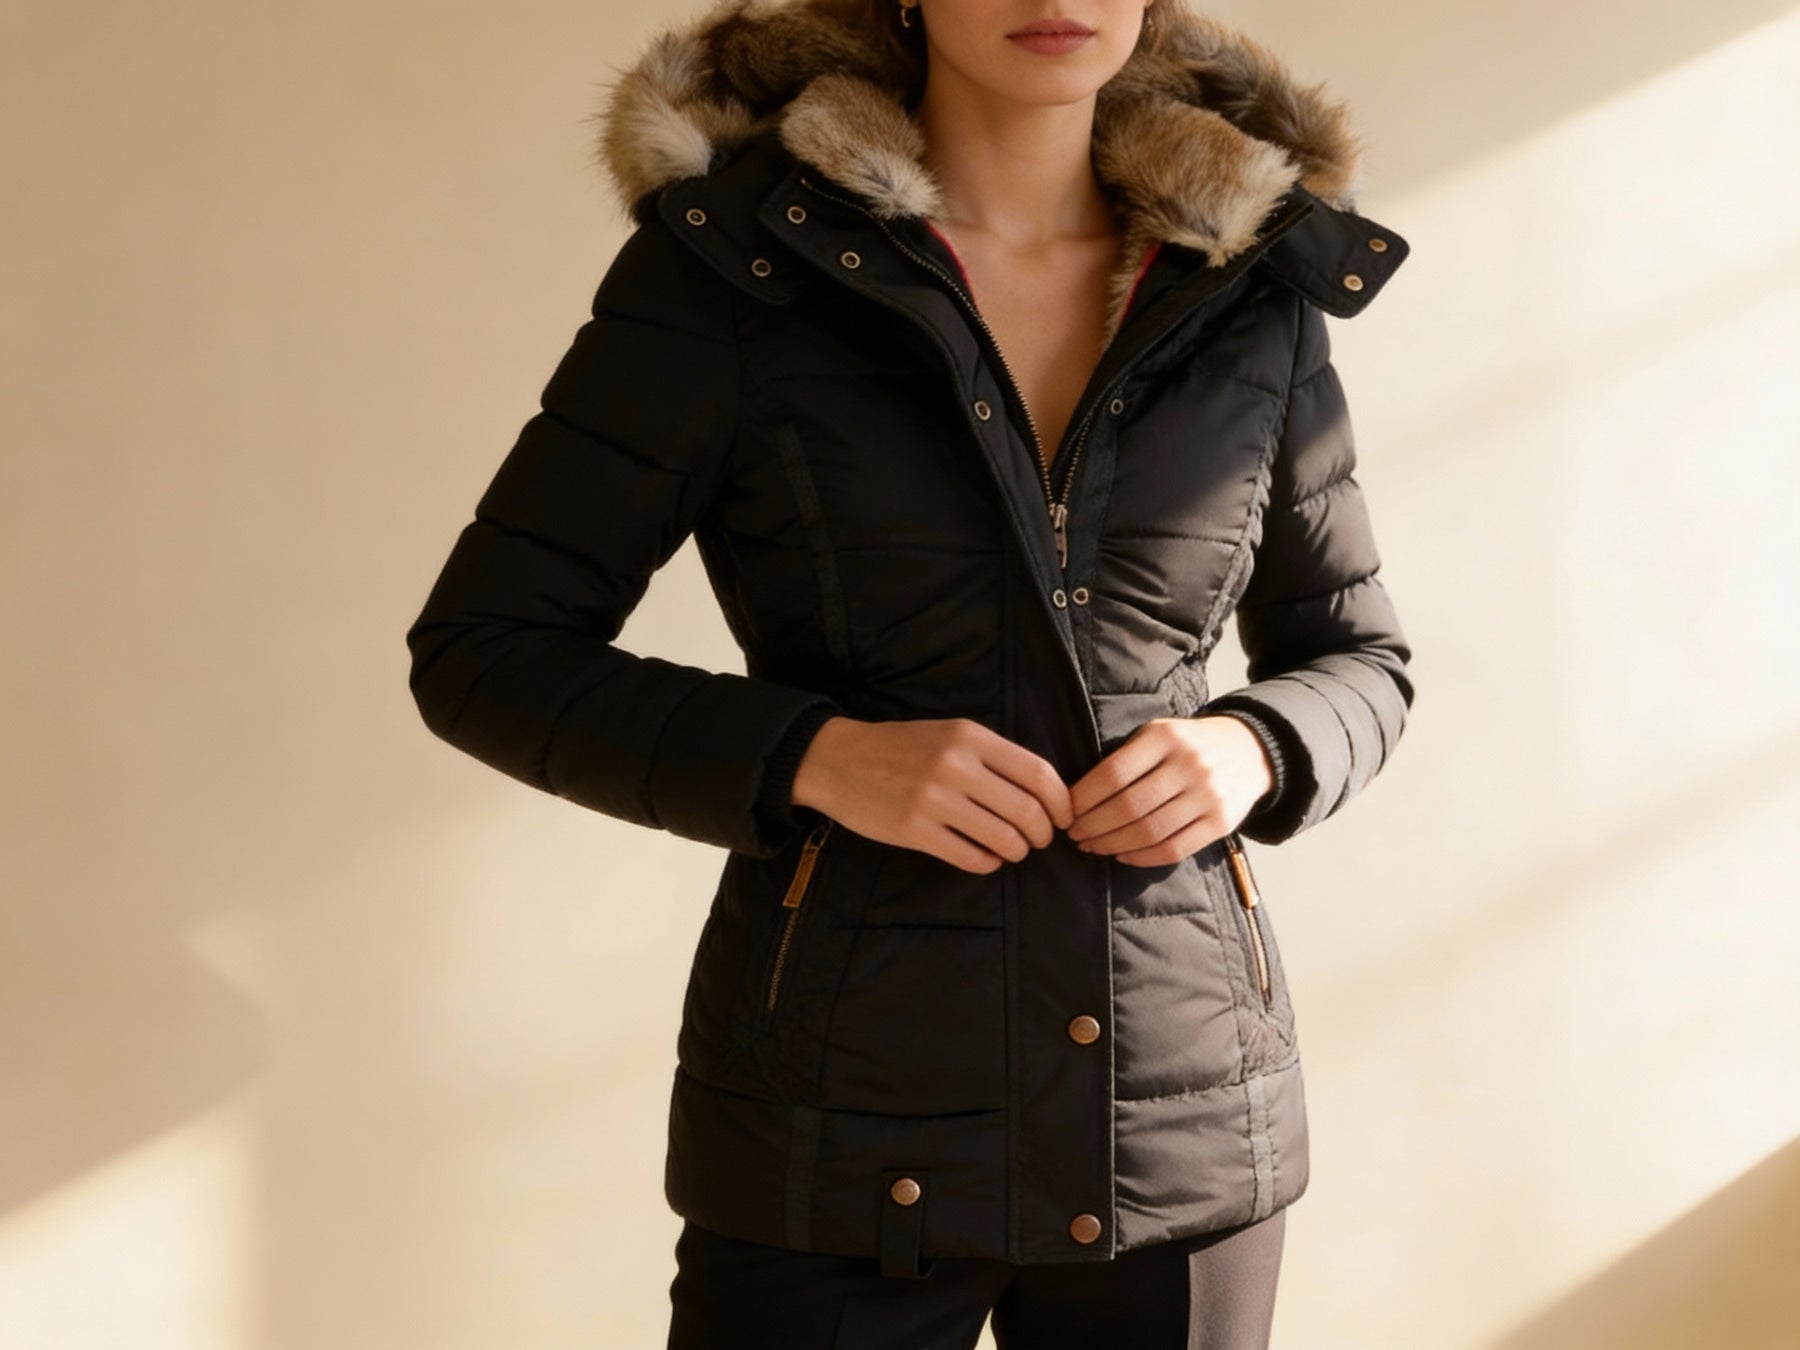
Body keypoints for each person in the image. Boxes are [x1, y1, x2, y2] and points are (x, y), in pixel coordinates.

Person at [404, 0, 1415, 1344]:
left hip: (1179, 1133)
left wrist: (1257, 747)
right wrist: (816, 757)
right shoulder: (735, 269)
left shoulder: (1250, 287)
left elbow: (1359, 656)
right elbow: (486, 647)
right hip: (837, 1131)